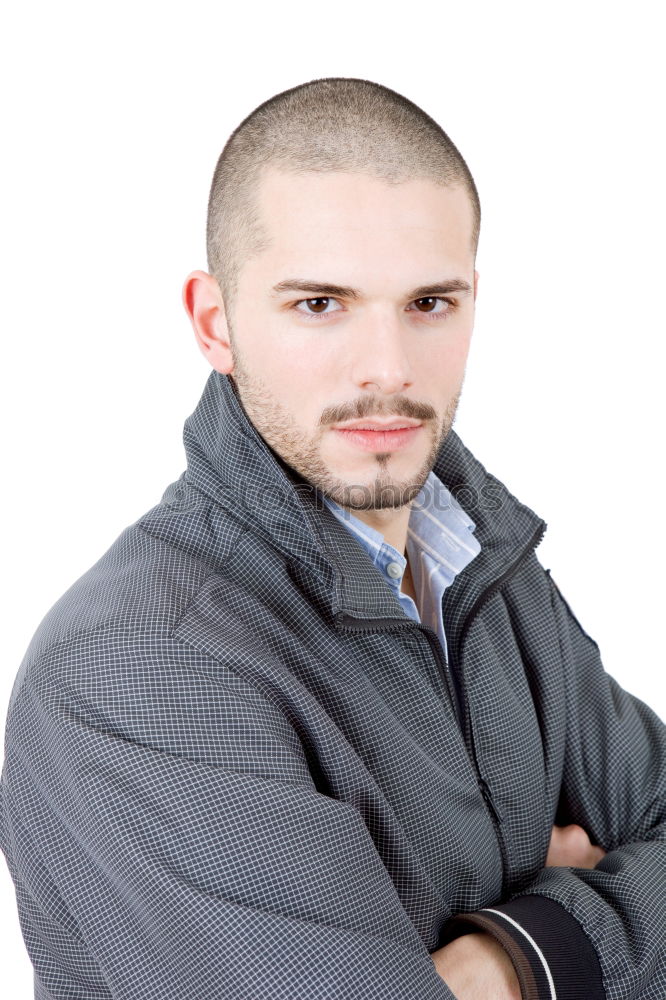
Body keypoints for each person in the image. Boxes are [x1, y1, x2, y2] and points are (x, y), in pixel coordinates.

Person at [0, 76, 664, 1000]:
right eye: (320, 304)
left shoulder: (484, 566)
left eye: (429, 303)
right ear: (214, 320)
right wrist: (581, 903)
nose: (388, 368)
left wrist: (506, 956)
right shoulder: (134, 664)